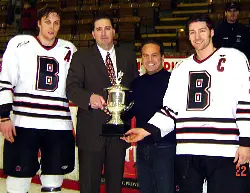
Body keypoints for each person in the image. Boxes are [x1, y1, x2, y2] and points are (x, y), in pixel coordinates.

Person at [122, 13, 250, 193]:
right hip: (188, 150)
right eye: (192, 32)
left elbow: (245, 101)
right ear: (187, 36)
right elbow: (170, 110)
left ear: (212, 32)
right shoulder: (181, 68)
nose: (197, 36)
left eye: (202, 31)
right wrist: (145, 131)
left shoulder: (234, 58)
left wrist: (246, 142)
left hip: (226, 150)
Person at [0, 6, 76, 193]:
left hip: (58, 124)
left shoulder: (69, 49)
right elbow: (5, 80)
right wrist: (3, 116)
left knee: (53, 179)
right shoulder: (19, 43)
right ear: (38, 23)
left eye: (56, 22)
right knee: (18, 179)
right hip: (24, 122)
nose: (52, 26)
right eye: (47, 21)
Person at [66, 13, 138, 193]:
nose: (103, 33)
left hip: (119, 134)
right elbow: (71, 89)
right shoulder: (81, 57)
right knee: (89, 186)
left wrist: (126, 119)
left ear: (114, 31)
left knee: (115, 186)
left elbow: (134, 91)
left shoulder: (128, 56)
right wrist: (89, 98)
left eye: (107, 28)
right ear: (92, 34)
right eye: (99, 29)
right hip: (91, 133)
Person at [123, 39, 175, 193]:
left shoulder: (172, 81)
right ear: (141, 59)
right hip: (142, 146)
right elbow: (129, 112)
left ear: (162, 58)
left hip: (166, 147)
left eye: (154, 55)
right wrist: (114, 112)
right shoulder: (136, 84)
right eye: (146, 56)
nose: (150, 60)